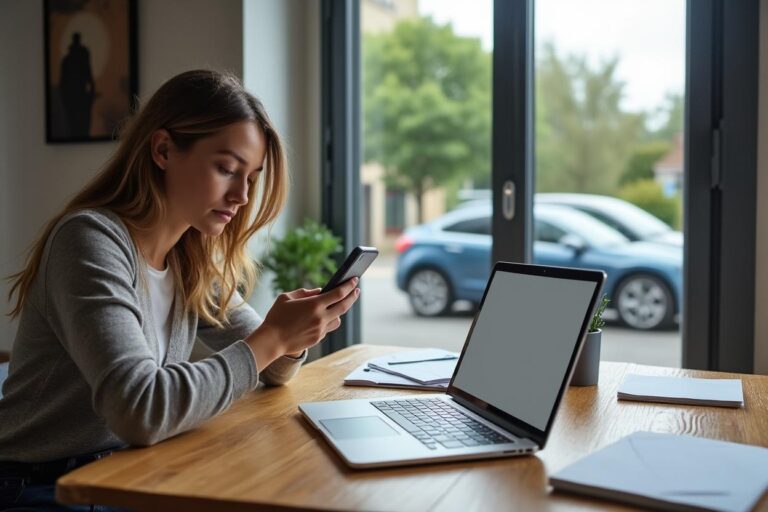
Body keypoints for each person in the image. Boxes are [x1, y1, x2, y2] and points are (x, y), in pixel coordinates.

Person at [0, 69, 359, 511]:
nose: (242, 196)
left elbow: (272, 370)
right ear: (163, 150)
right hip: (41, 487)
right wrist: (273, 338)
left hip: (128, 472)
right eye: (226, 169)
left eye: (251, 177)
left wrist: (293, 334)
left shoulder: (189, 258)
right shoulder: (90, 241)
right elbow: (140, 410)